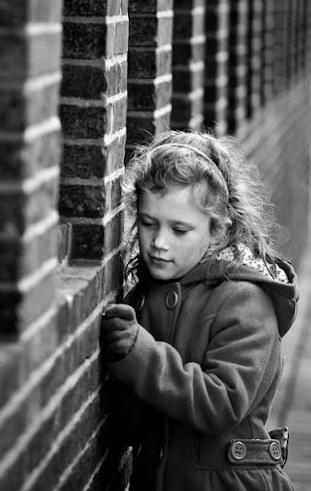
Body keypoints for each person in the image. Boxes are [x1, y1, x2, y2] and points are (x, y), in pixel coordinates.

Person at [101, 129, 299, 491]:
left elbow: (222, 404)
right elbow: (130, 427)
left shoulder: (245, 300)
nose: (159, 243)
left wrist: (137, 353)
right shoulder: (145, 296)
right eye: (148, 223)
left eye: (179, 230)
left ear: (219, 230)